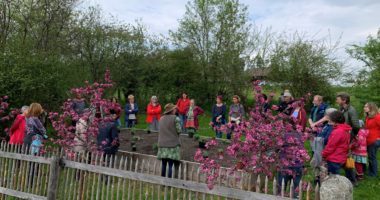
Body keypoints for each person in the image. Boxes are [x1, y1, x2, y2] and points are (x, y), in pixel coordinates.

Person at [277, 119, 305, 198]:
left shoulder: (283, 135)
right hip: (298, 165)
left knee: (281, 188)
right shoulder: (299, 134)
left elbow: (276, 148)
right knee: (296, 189)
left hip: (286, 165)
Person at [310, 108, 337, 186]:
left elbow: (327, 139)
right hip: (319, 148)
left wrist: (317, 139)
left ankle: (322, 181)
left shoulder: (332, 127)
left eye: (326, 115)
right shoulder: (327, 125)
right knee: (316, 164)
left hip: (324, 149)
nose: (325, 116)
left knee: (322, 166)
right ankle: (317, 178)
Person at [322, 111, 351, 175]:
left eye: (330, 119)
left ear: (335, 120)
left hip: (334, 158)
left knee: (334, 178)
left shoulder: (337, 132)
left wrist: (323, 154)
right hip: (341, 156)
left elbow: (330, 146)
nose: (328, 120)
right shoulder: (345, 129)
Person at [157, 103, 182, 178]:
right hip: (172, 145)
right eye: (174, 109)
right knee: (170, 165)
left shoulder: (161, 118)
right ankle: (169, 183)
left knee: (164, 164)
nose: (175, 110)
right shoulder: (175, 118)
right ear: (172, 110)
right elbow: (179, 130)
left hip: (162, 144)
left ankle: (163, 181)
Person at [364, 102, 380, 177]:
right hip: (368, 140)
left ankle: (374, 174)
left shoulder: (377, 117)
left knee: (372, 157)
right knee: (370, 156)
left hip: (374, 140)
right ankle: (371, 172)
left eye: (366, 107)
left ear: (371, 108)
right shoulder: (368, 117)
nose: (364, 108)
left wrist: (378, 138)